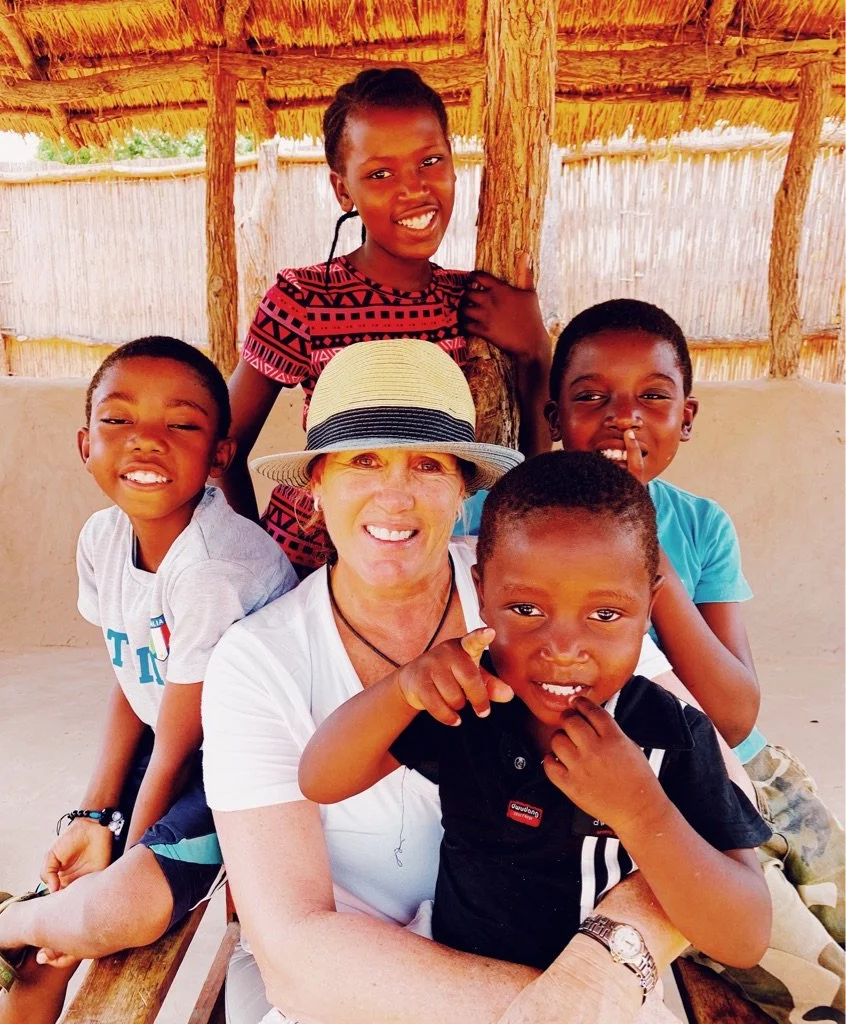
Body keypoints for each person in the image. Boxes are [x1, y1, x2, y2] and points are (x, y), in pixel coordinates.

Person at [202, 338, 718, 1024]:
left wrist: (611, 953)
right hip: (360, 995)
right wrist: (568, 1010)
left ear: (461, 489)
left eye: (426, 463)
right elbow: (297, 955)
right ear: (316, 487)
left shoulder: (535, 592)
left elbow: (711, 797)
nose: (396, 492)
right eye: (363, 460)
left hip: (575, 964)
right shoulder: (258, 663)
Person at [299, 448, 772, 979]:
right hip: (450, 985)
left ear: (649, 604)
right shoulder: (471, 702)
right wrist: (402, 689)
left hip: (597, 1002)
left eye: (605, 613)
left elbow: (745, 936)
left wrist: (643, 812)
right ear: (481, 591)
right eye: (527, 610)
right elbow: (322, 778)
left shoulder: (670, 736)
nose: (565, 647)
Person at [544, 299, 845, 1023]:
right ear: (553, 416)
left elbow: (736, 710)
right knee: (819, 981)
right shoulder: (517, 517)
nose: (624, 417)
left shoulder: (701, 525)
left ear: (687, 416)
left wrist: (648, 555)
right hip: (660, 786)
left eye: (653, 396)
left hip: (755, 774)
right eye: (592, 397)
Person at [0, 337, 296, 1022]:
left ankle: (4, 924)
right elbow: (133, 680)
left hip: (237, 768)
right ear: (83, 444)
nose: (146, 442)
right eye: (118, 420)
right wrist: (92, 816)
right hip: (173, 757)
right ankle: (25, 924)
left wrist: (127, 858)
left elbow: (182, 741)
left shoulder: (216, 566)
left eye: (181, 424)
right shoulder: (102, 539)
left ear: (221, 453)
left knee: (103, 914)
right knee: (46, 953)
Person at [218, 66, 551, 575]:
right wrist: (258, 564)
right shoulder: (305, 298)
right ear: (342, 190)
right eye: (379, 173)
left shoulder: (476, 302)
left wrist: (535, 351)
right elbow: (226, 447)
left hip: (427, 559)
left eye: (430, 161)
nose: (412, 189)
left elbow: (527, 458)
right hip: (310, 567)